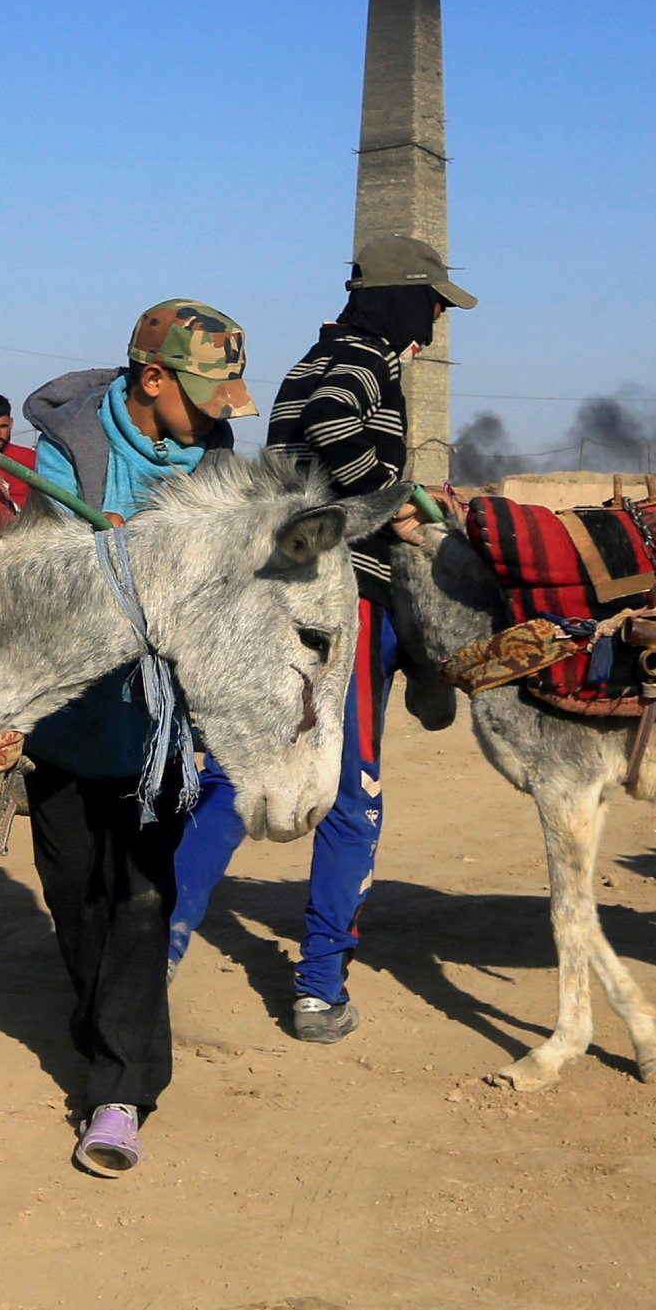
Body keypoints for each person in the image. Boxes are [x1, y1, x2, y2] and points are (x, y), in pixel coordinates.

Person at [169, 233, 472, 1043]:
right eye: (435, 301)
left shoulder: (310, 359)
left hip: (276, 596)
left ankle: (154, 950)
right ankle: (318, 983)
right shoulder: (364, 362)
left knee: (240, 771)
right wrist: (389, 502)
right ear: (400, 297)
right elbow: (340, 433)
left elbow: (290, 462)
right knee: (351, 790)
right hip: (345, 606)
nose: (439, 316)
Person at [14, 301, 253, 1177]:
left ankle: (121, 1093)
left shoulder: (218, 460)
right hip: (65, 719)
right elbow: (37, 567)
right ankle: (103, 1030)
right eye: (206, 392)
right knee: (75, 899)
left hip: (160, 734)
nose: (222, 412)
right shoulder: (67, 445)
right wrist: (96, 557)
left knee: (142, 903)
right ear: (153, 380)